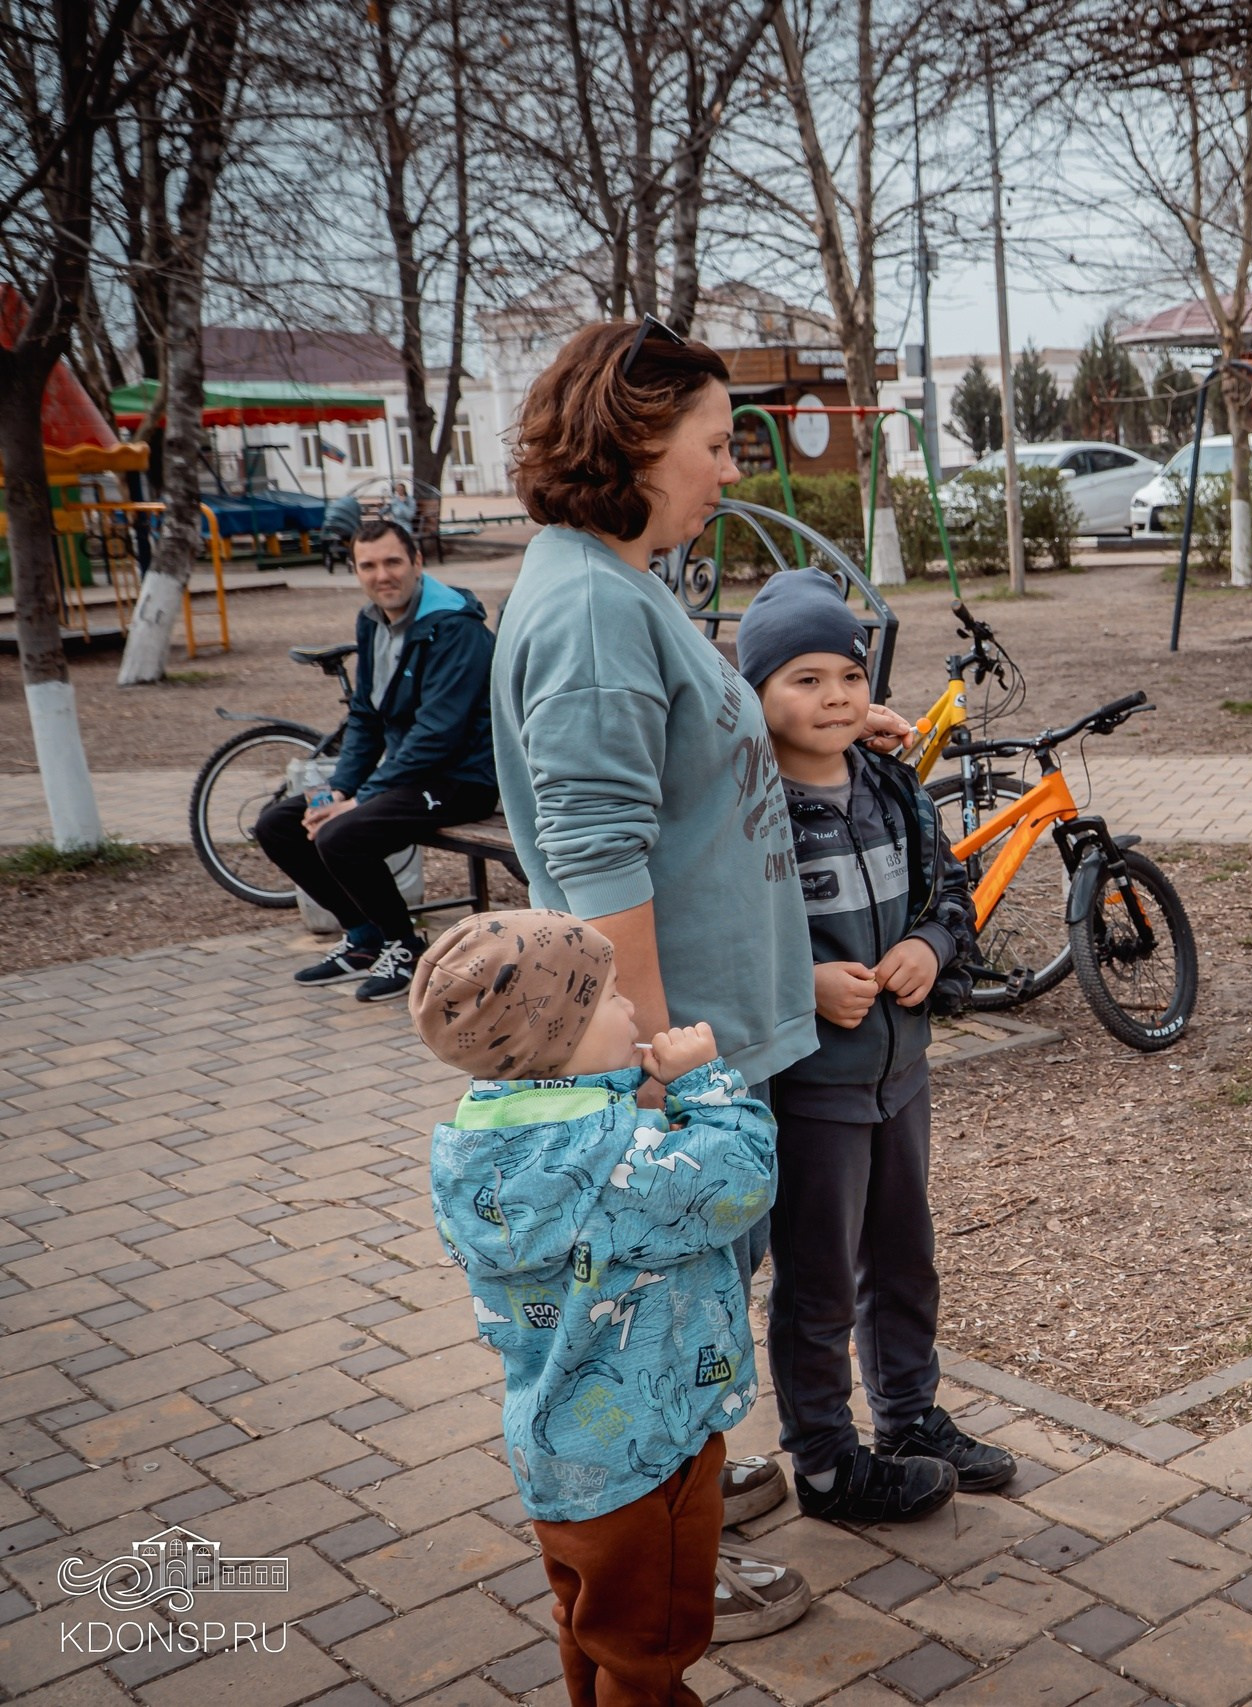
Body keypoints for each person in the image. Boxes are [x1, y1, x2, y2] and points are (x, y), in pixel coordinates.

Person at [492, 316, 852, 1522]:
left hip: (706, 1038)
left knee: (689, 1320)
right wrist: (650, 1078)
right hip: (677, 1053)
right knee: (654, 1323)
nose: (731, 469)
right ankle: (663, 1555)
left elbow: (683, 768)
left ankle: (689, 1482)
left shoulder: (616, 583)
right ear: (639, 441)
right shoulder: (594, 609)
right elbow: (600, 862)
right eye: (717, 441)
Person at [412, 910, 811, 1706]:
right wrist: (706, 1082)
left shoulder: (476, 1147)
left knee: (587, 1621)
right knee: (650, 1653)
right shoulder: (623, 1162)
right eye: (608, 998)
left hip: (553, 1452)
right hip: (645, 1459)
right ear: (553, 1040)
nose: (632, 1008)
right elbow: (741, 1177)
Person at [733, 571, 1014, 1528]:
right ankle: (821, 1457)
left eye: (848, 674)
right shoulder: (750, 812)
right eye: (803, 679)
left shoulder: (891, 786)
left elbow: (952, 896)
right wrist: (800, 983)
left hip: (903, 1077)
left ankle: (907, 1418)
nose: (835, 697)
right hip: (812, 1089)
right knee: (816, 1277)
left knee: (904, 1257)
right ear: (755, 697)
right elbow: (727, 937)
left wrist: (929, 949)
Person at [255, 517, 496, 1002]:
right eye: (368, 566)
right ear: (356, 571)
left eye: (392, 562)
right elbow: (365, 716)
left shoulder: (454, 628)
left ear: (418, 563)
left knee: (344, 833)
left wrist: (362, 799)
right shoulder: (372, 621)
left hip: (463, 779)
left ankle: (406, 949)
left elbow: (439, 734)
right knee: (280, 823)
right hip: (412, 775)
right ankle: (364, 939)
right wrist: (341, 789)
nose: (382, 575)